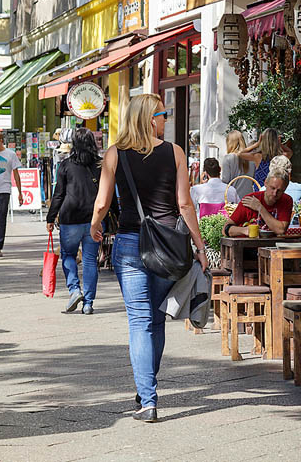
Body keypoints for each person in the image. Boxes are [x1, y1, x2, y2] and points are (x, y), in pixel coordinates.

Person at [90, 94, 207, 423]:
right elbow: (185, 204)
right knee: (155, 321)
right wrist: (199, 246)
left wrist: (95, 225)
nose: (166, 120)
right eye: (163, 114)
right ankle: (146, 390)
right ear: (150, 118)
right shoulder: (175, 152)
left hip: (130, 244)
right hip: (168, 248)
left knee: (140, 322)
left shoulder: (115, 154)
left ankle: (148, 399)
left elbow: (101, 203)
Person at [47, 128, 113, 315]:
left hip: (71, 217)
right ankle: (88, 303)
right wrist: (114, 216)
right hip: (95, 219)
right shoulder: (101, 165)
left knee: (68, 255)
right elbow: (110, 194)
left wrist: (51, 217)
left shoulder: (66, 165)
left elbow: (58, 194)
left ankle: (75, 290)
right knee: (90, 260)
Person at [224, 155, 294, 237]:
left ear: (285, 189)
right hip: (247, 247)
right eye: (272, 188)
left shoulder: (286, 200)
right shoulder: (250, 199)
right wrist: (245, 230)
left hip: (273, 246)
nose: (274, 193)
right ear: (265, 183)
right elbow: (225, 229)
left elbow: (281, 230)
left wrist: (260, 208)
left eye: (279, 191)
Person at [0, 131, 23, 257]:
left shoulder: (10, 154)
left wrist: (20, 192)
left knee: (2, 219)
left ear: (0, 140)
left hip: (4, 189)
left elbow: (16, 174)